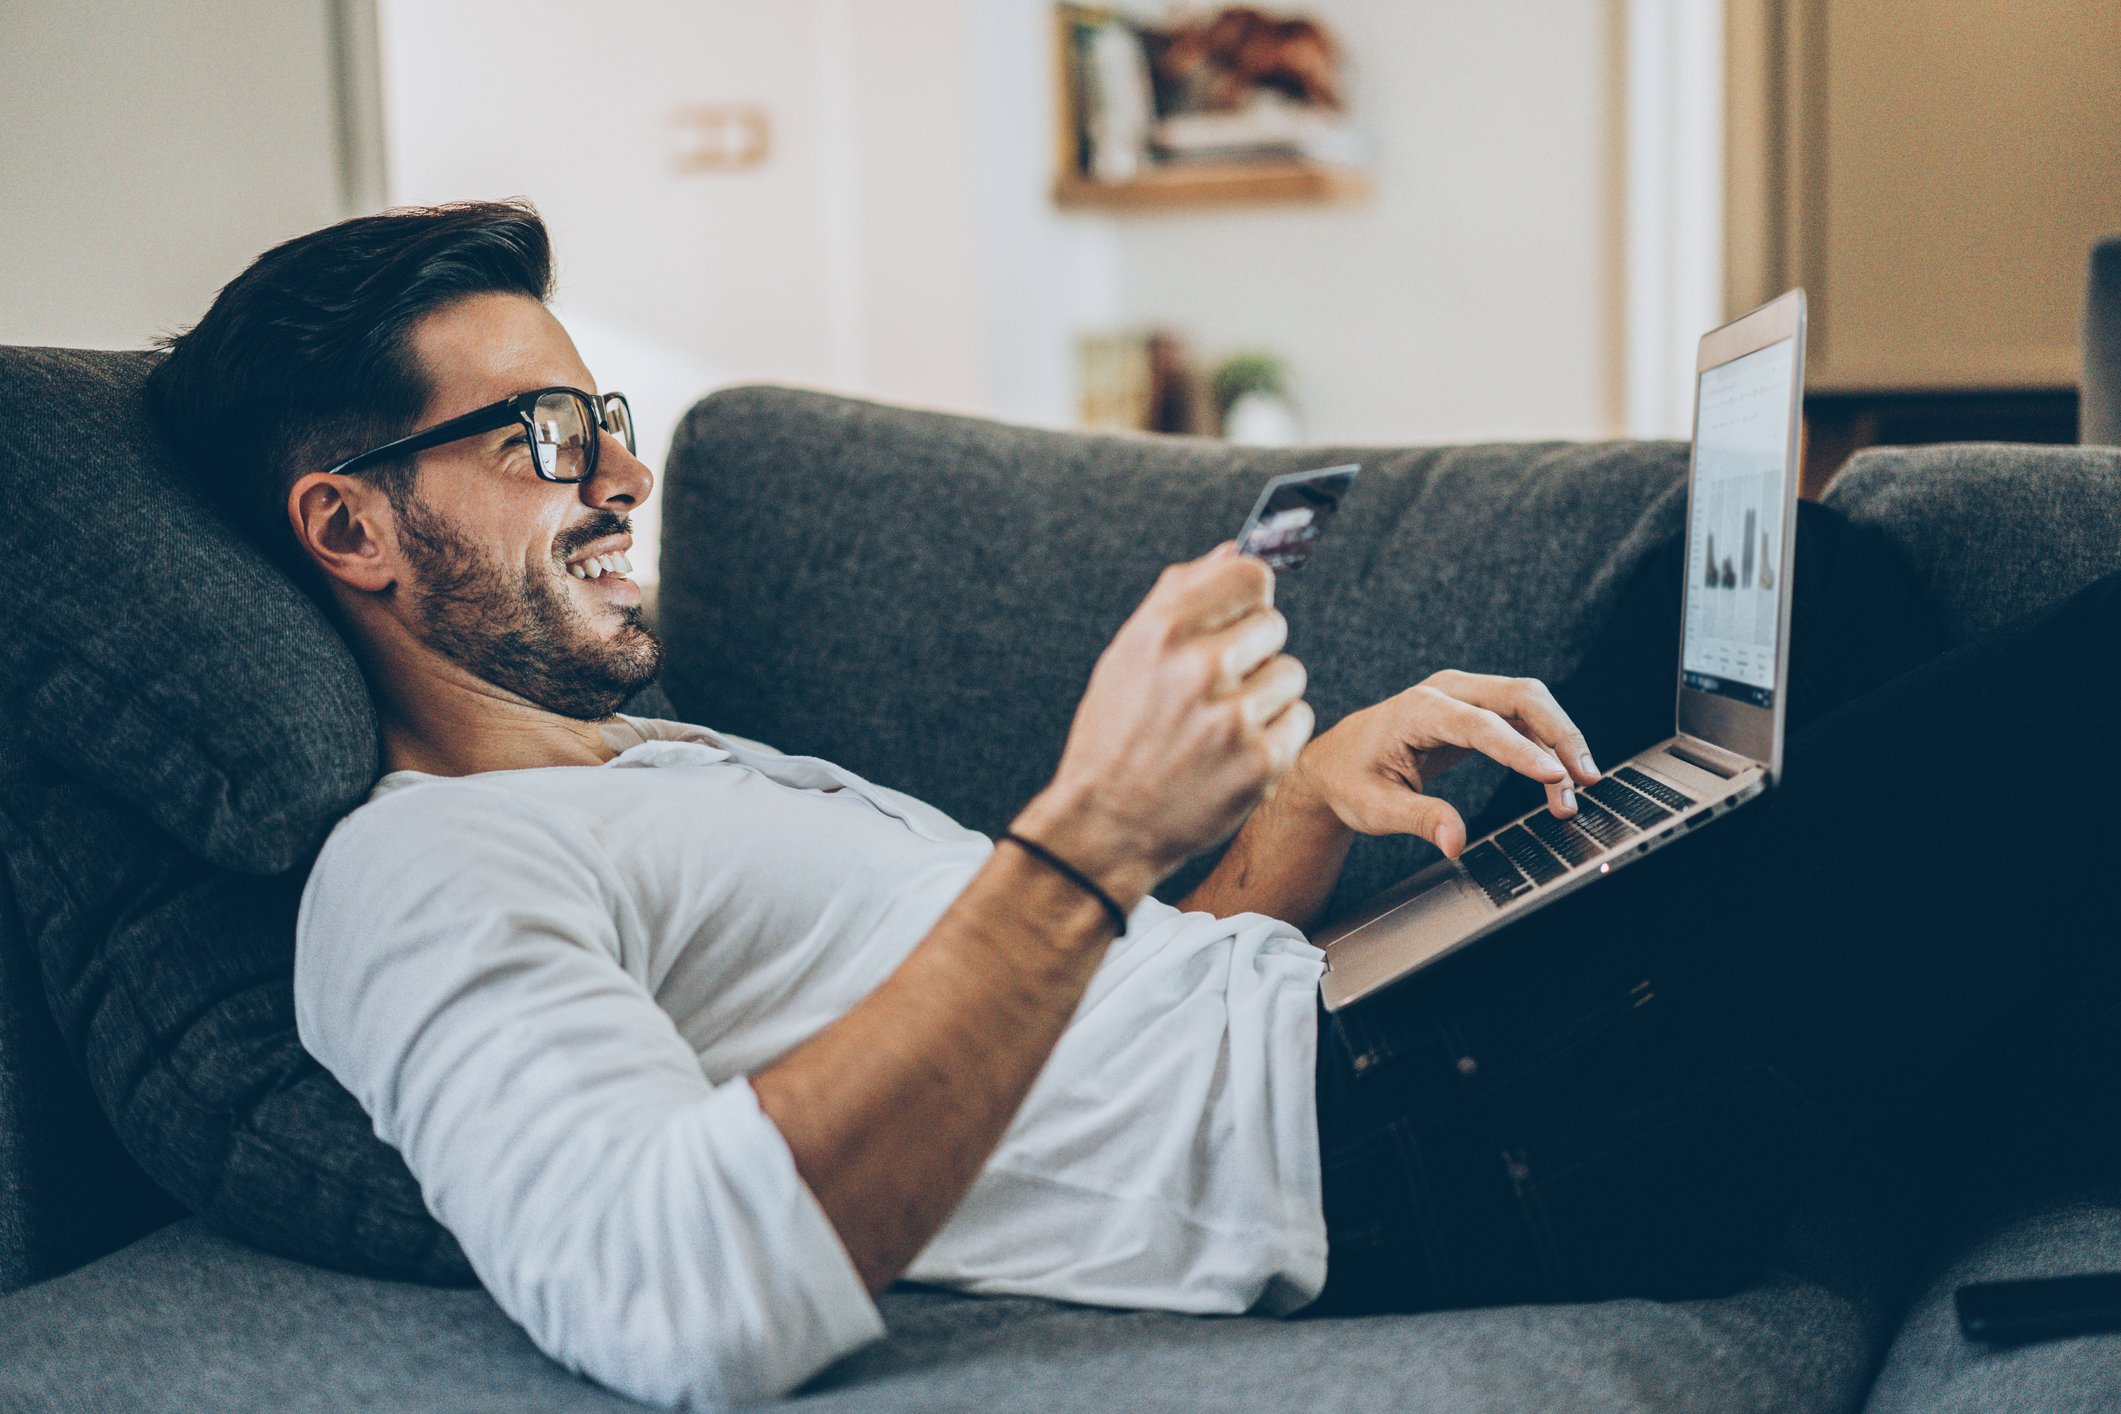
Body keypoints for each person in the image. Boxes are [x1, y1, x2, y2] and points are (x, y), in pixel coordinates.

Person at [147, 202, 2119, 1408]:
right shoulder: (411, 879)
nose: (618, 474)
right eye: (546, 438)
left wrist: (1289, 829)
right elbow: (675, 1297)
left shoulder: (653, 762)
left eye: (611, 423)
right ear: (350, 526)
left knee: (1815, 572)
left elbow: (1083, 1065)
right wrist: (1085, 830)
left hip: (1356, 1011)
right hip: (1438, 1130)